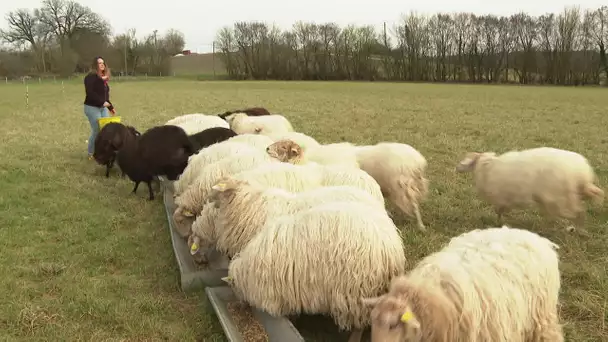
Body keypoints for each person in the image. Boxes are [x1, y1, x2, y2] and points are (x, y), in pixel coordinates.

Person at [83, 56, 115, 160]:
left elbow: (105, 96)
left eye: (103, 63)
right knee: (96, 130)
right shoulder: (90, 77)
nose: (102, 65)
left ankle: (102, 152)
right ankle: (91, 153)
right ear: (94, 65)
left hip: (102, 107)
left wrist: (110, 107)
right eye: (99, 63)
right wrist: (102, 102)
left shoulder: (103, 78)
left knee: (105, 130)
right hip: (92, 107)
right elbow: (90, 93)